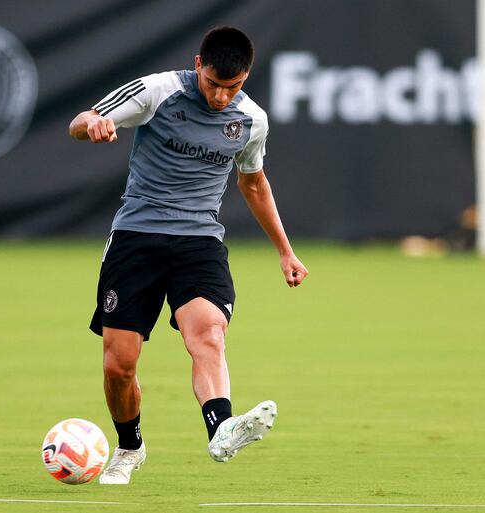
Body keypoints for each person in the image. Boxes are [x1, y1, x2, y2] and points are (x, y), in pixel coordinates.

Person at [69, 26, 308, 485]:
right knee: (119, 365)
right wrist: (93, 125)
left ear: (246, 78)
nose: (221, 96)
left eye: (233, 86)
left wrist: (285, 251)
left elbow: (253, 184)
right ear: (198, 65)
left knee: (209, 335)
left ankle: (222, 429)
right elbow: (81, 122)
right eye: (214, 83)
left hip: (199, 242)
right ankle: (130, 446)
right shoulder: (157, 91)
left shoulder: (251, 119)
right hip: (137, 236)